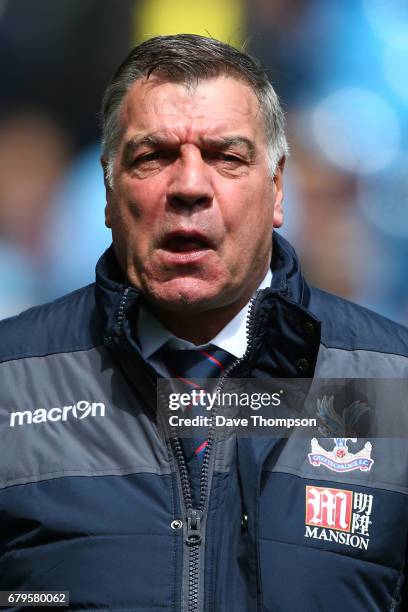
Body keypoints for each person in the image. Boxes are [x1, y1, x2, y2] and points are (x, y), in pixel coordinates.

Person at [0, 34, 407, 612]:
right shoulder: (11, 379)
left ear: (278, 188)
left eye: (226, 157)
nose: (189, 187)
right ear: (108, 192)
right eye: (152, 156)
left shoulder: (394, 383)